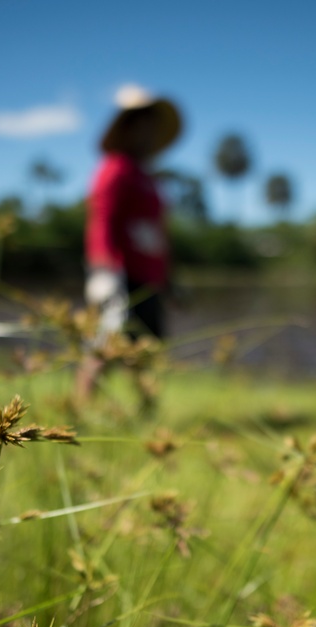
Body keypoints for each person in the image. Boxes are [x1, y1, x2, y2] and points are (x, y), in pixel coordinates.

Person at [75, 85, 183, 402]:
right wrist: (103, 270)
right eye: (141, 122)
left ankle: (145, 413)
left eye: (152, 124)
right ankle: (80, 409)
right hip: (119, 274)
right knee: (105, 343)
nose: (147, 131)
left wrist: (170, 279)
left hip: (150, 280)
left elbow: (160, 235)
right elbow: (102, 219)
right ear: (127, 127)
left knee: (149, 347)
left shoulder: (149, 178)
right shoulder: (115, 169)